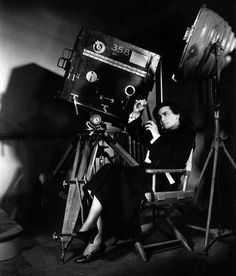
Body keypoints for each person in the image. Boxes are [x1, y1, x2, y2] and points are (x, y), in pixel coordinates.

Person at [74, 99, 196, 263]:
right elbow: (137, 134)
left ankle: (94, 237)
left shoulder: (186, 135)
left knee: (113, 181)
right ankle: (91, 231)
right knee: (109, 170)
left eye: (165, 114)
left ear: (178, 115)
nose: (162, 119)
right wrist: (137, 113)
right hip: (145, 175)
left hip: (161, 180)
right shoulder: (163, 134)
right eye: (159, 117)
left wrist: (157, 137)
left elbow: (175, 160)